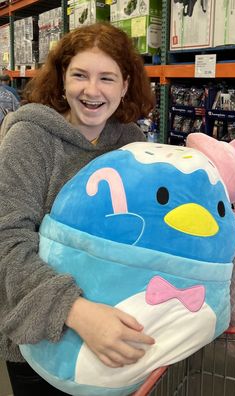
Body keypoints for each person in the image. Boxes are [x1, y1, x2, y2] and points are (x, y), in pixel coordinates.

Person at [0, 22, 156, 396]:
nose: (92, 90)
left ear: (125, 84)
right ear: (61, 80)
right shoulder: (31, 139)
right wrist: (76, 310)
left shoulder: (131, 142)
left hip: (119, 331)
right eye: (80, 75)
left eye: (107, 78)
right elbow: (7, 238)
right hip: (42, 337)